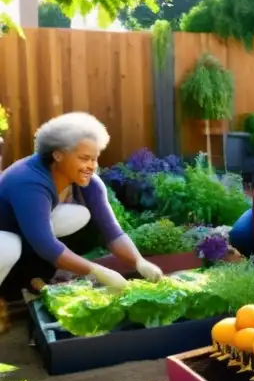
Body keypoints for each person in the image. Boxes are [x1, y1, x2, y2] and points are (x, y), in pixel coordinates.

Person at [0, 113, 164, 299]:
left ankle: (34, 277)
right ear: (58, 155)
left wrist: (139, 262)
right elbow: (46, 245)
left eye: (94, 159)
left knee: (79, 215)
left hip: (21, 227)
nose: (92, 166)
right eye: (84, 158)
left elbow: (112, 231)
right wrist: (98, 271)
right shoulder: (29, 181)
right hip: (3, 234)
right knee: (9, 247)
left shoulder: (87, 182)